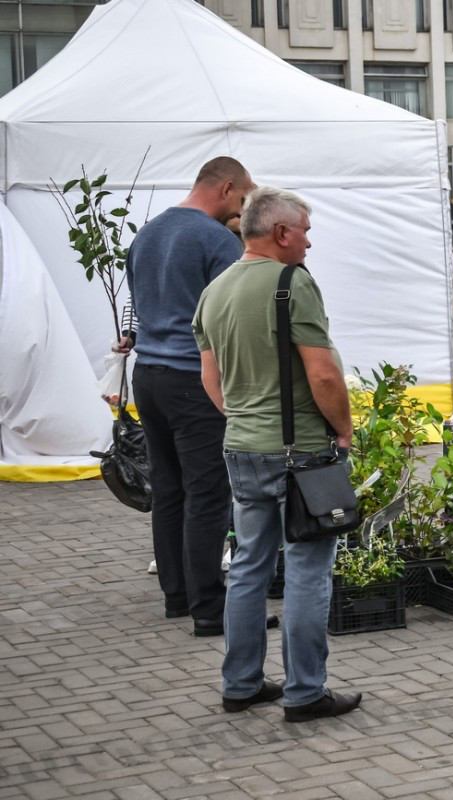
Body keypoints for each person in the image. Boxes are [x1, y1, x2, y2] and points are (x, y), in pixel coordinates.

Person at [193, 186, 361, 721]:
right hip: (303, 452)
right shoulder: (293, 283)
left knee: (248, 566)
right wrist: (344, 430)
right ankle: (306, 692)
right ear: (281, 233)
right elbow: (323, 372)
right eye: (305, 231)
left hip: (242, 446)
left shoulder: (215, 290)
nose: (310, 242)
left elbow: (210, 378)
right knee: (310, 570)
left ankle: (240, 684)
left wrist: (245, 419)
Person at [124, 156, 258, 634]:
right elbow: (233, 317)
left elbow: (135, 304)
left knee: (169, 488)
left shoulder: (148, 233)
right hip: (193, 380)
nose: (243, 211)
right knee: (208, 493)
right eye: (243, 200)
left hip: (149, 376)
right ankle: (210, 610)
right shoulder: (217, 241)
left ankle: (177, 597)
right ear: (225, 188)